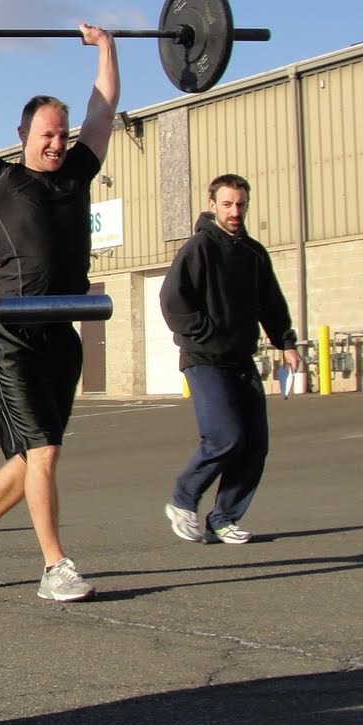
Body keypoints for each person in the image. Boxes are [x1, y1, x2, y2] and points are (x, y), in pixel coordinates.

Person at [0, 19, 117, 602]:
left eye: (62, 134)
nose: (57, 143)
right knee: (45, 452)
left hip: (61, 337)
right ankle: (55, 566)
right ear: (23, 134)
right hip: (10, 338)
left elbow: (104, 110)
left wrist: (106, 48)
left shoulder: (78, 175)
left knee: (30, 460)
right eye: (46, 134)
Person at [159, 174, 300, 545]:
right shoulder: (199, 248)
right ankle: (183, 499)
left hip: (241, 361)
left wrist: (286, 342)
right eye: (227, 204)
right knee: (224, 436)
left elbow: (271, 302)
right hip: (204, 359)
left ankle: (223, 519)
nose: (235, 211)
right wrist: (205, 333)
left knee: (254, 444)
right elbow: (172, 300)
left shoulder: (254, 254)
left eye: (240, 204)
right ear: (213, 205)